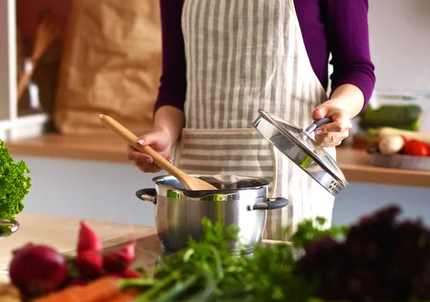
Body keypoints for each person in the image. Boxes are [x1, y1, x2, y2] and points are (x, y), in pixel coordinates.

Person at [126, 0, 376, 240]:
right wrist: (164, 134)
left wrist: (340, 107)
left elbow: (356, 68)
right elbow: (175, 82)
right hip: (198, 168)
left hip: (291, 173)